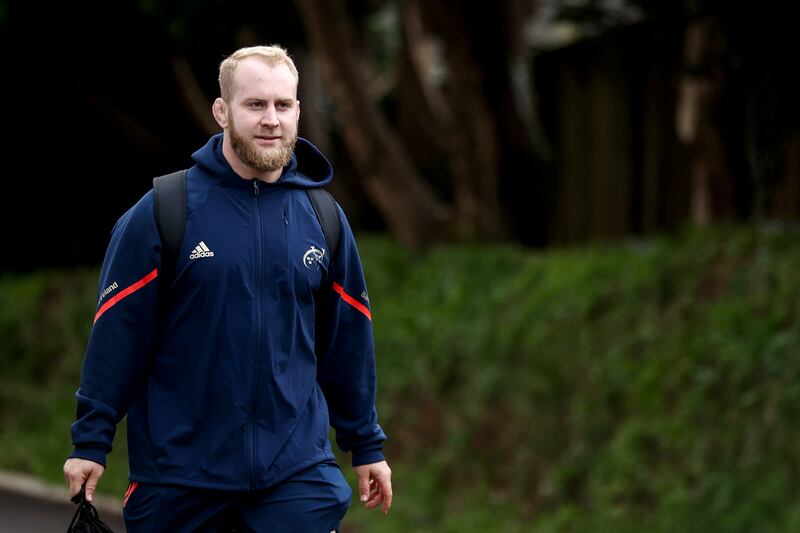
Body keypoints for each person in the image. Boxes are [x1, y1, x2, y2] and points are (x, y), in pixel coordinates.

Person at [63, 44, 392, 532]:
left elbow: (348, 342)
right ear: (222, 111)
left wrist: (365, 444)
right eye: (255, 105)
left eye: (283, 105)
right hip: (180, 477)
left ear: (299, 111)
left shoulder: (323, 220)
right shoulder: (162, 212)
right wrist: (91, 441)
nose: (271, 120)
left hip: (294, 475)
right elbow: (118, 335)